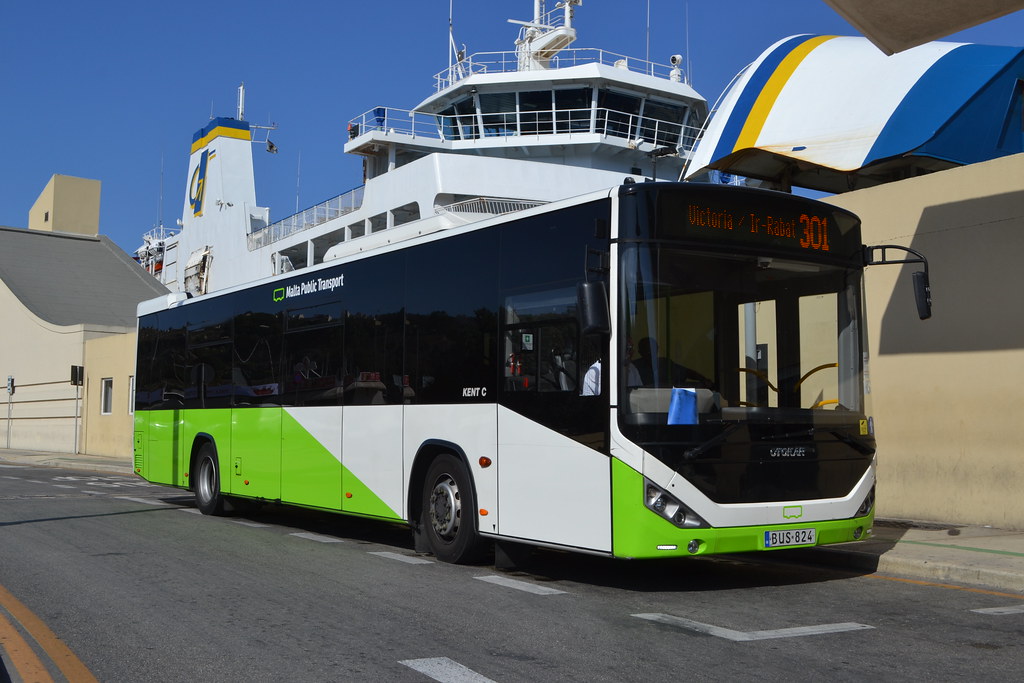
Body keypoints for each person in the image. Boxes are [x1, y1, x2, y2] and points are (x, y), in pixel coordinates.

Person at [632, 337, 713, 388]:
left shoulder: (665, 363)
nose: (650, 353)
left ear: (657, 349)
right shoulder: (634, 367)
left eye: (653, 349)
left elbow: (686, 372)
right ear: (640, 352)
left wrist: (704, 380)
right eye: (647, 350)